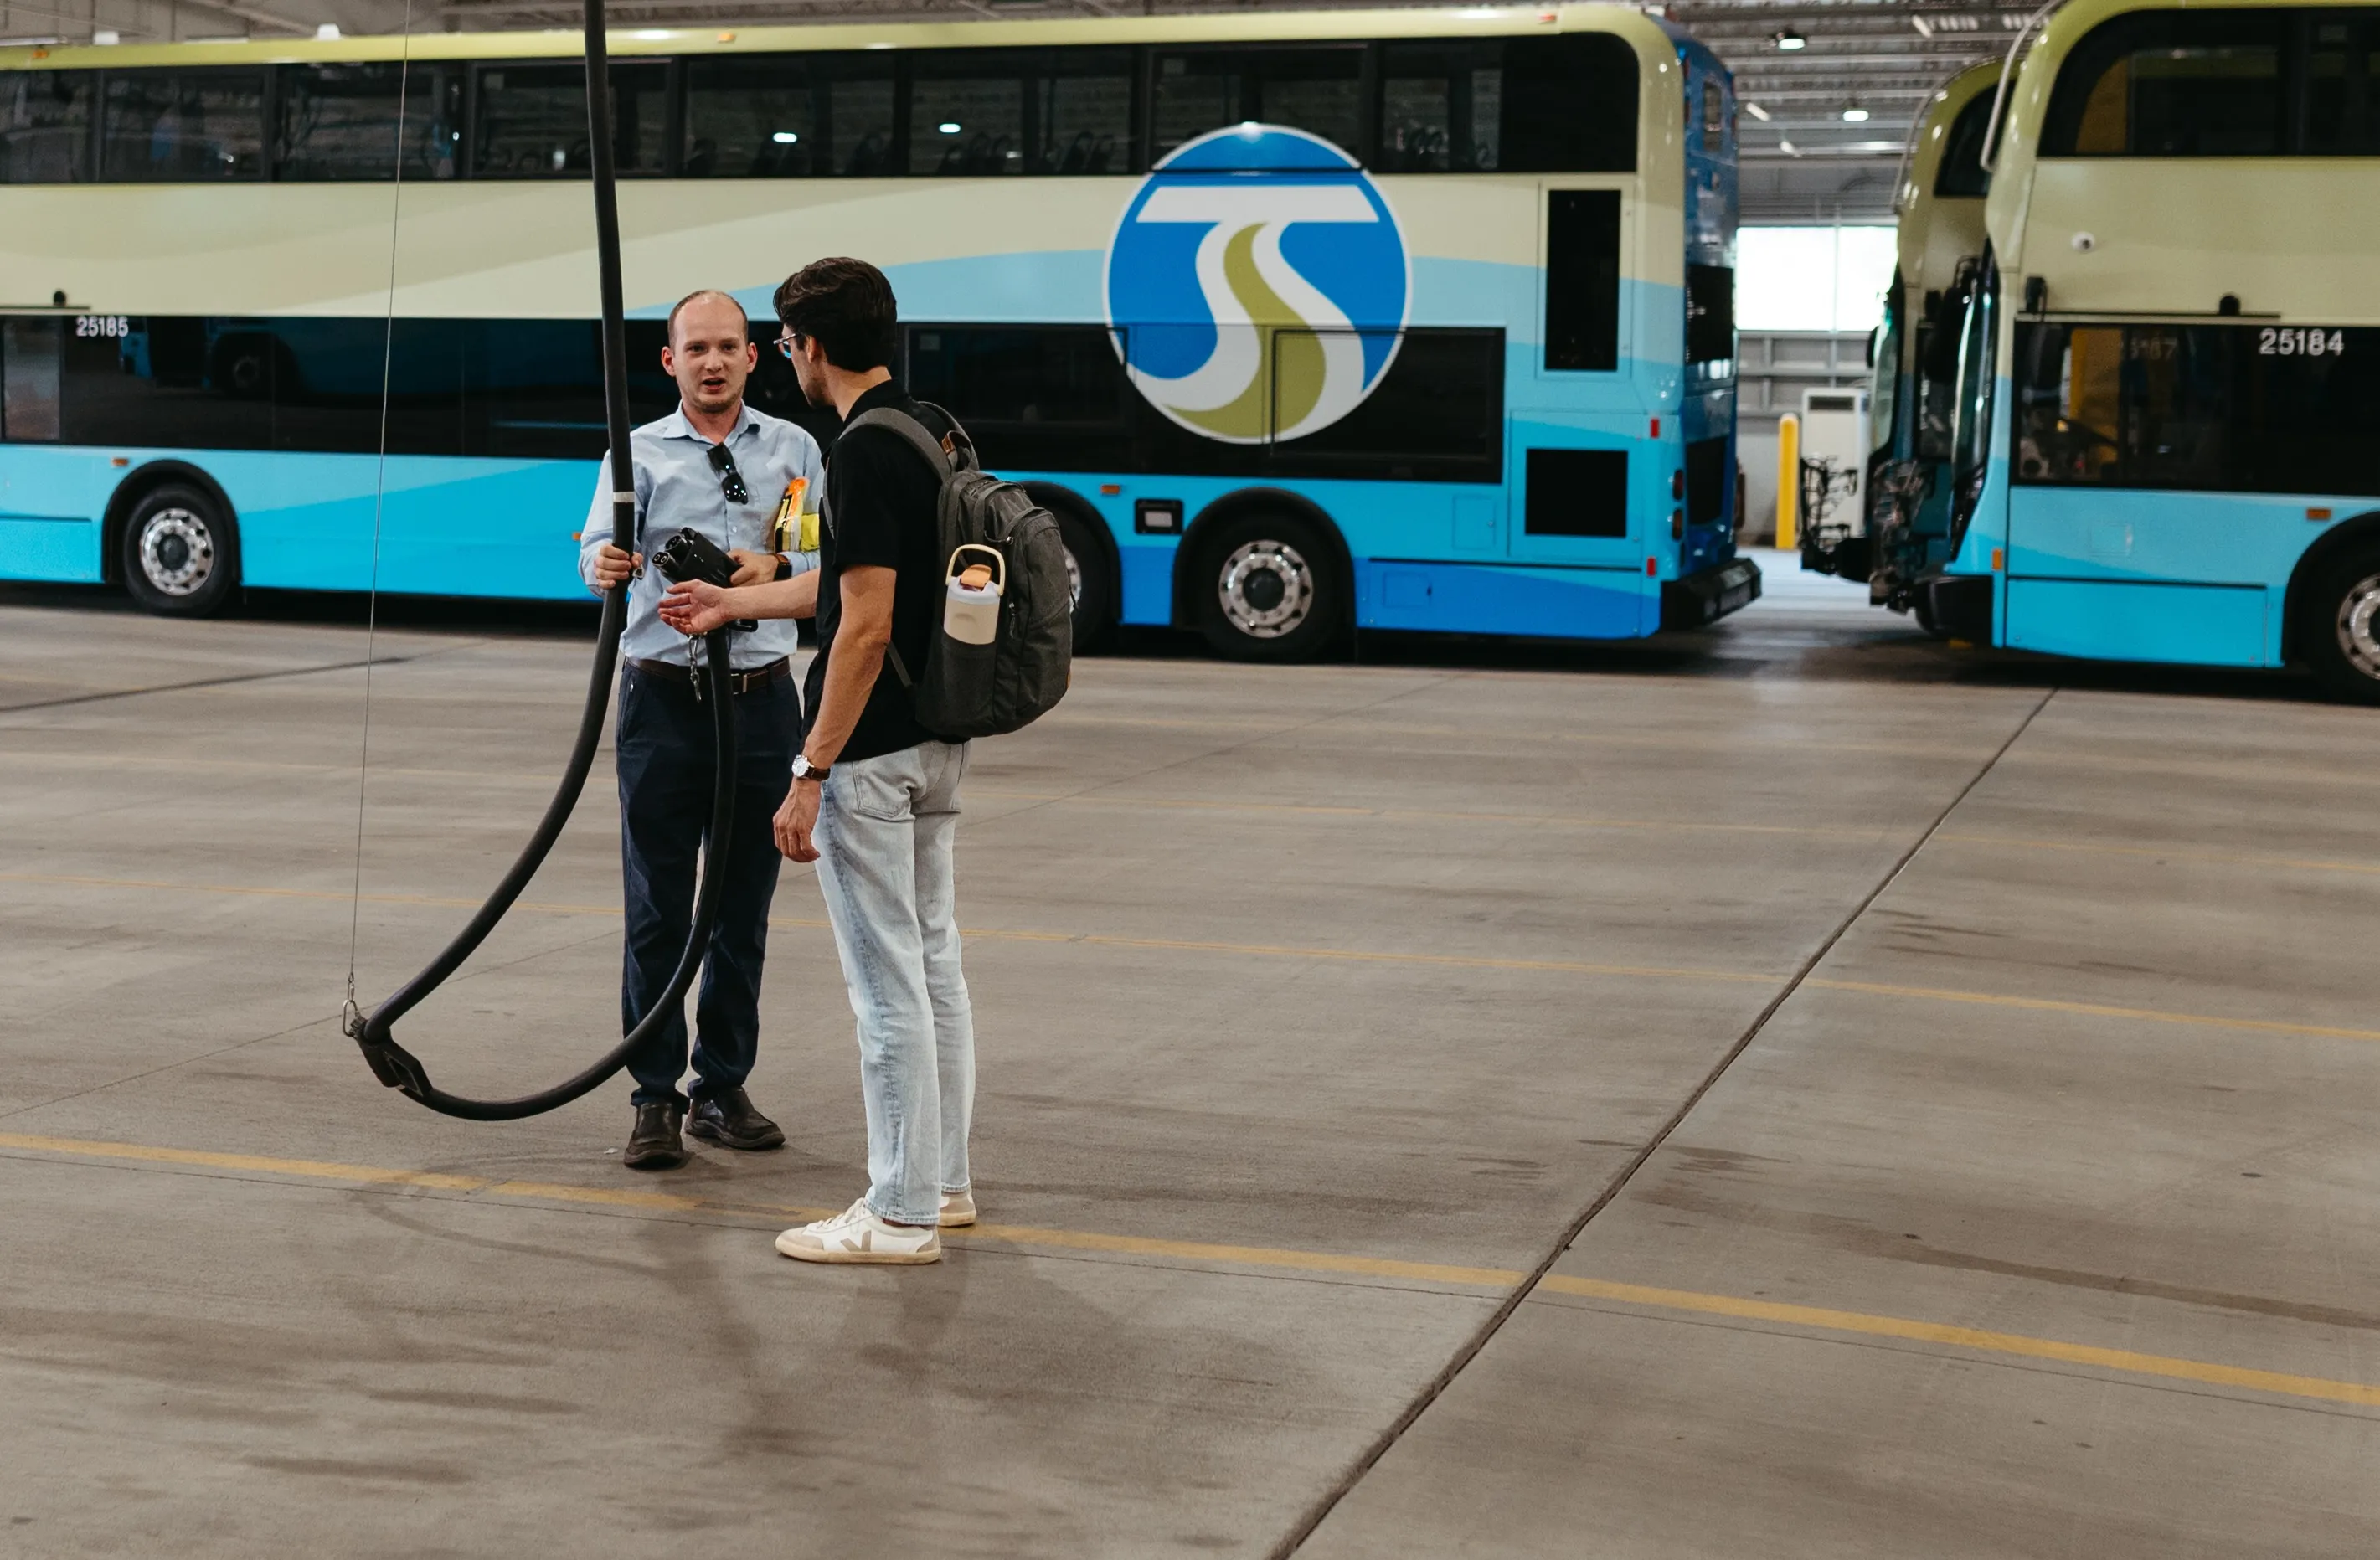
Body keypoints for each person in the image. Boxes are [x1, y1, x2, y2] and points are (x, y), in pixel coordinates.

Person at [658, 257, 973, 1264]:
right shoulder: (933, 428)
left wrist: (808, 770)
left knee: (885, 991)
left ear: (808, 348)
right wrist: (735, 599)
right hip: (936, 740)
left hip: (872, 756)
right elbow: (842, 587)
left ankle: (899, 1211)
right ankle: (944, 1184)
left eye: (784, 343)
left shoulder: (862, 451)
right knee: (934, 970)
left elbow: (863, 628)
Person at [580, 288, 823, 1171]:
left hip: (761, 698)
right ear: (669, 361)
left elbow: (823, 553)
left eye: (729, 346)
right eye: (697, 348)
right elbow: (591, 549)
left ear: (753, 357)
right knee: (656, 909)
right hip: (660, 701)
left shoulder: (794, 448)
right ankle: (653, 1096)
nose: (713, 361)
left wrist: (779, 560)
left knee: (740, 909)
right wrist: (600, 560)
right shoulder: (634, 451)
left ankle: (721, 1086)